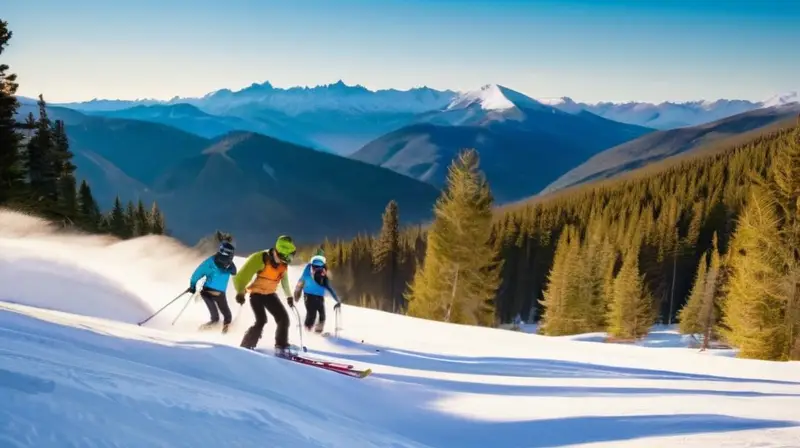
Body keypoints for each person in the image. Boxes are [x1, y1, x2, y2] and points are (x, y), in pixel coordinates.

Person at [233, 235, 297, 353]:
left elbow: (284, 281)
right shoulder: (260, 258)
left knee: (283, 318)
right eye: (287, 257)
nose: (287, 261)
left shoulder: (283, 265)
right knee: (261, 320)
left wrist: (289, 296)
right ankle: (246, 346)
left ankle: (281, 346)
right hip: (256, 294)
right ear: (279, 253)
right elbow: (241, 276)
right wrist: (240, 292)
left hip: (270, 294)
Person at [188, 241, 237, 334]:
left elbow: (234, 272)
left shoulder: (224, 263)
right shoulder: (214, 262)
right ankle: (201, 332)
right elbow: (199, 272)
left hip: (215, 293)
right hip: (212, 292)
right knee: (221, 318)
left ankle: (222, 336)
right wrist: (192, 285)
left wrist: (192, 286)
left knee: (222, 318)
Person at [293, 254, 341, 334]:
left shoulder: (323, 275)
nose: (317, 270)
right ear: (312, 266)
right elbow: (299, 284)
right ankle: (307, 331)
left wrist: (336, 299)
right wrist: (297, 295)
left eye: (320, 268)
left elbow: (329, 287)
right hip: (309, 296)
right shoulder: (307, 274)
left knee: (322, 315)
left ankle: (318, 332)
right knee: (312, 314)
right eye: (315, 267)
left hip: (319, 297)